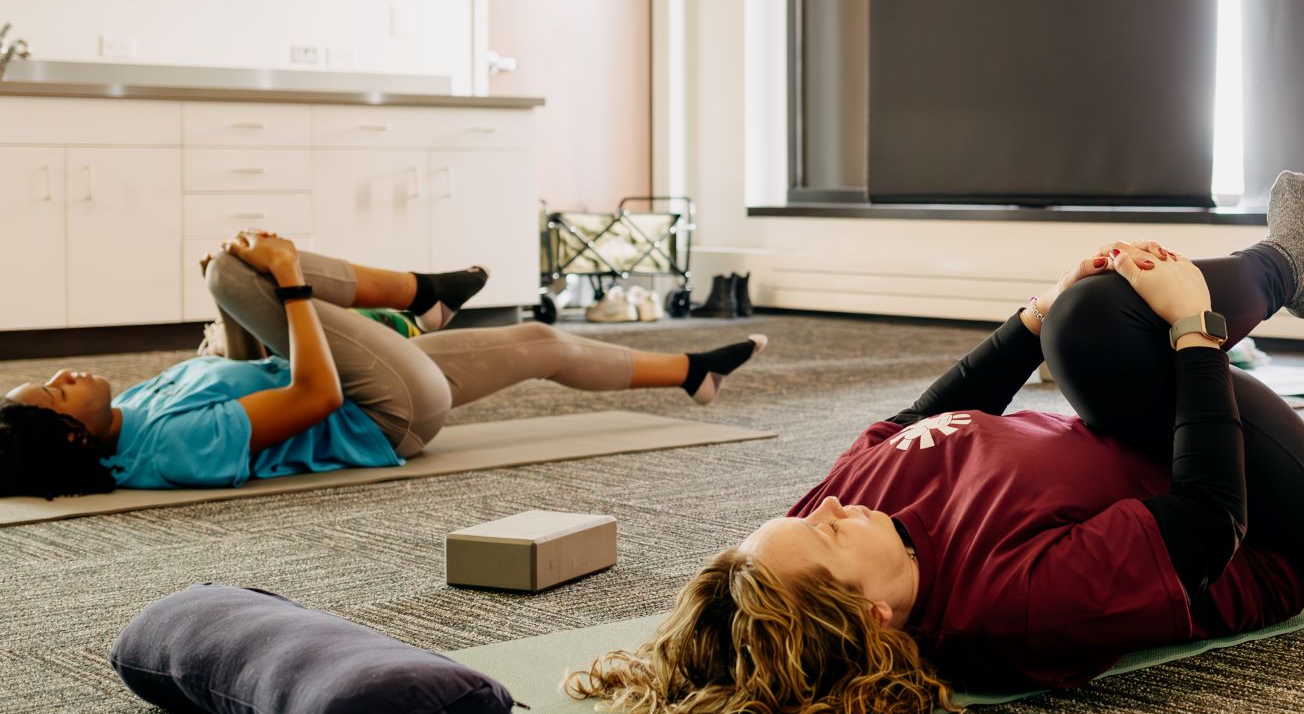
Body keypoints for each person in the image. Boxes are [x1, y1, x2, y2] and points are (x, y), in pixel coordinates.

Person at [564, 173, 1304, 714]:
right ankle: (1286, 270)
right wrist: (1194, 329)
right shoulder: (1007, 610)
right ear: (874, 611)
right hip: (1259, 529)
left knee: (1080, 318)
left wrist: (1026, 316)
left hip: (1137, 448)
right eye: (823, 535)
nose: (830, 506)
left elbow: (920, 422)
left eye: (810, 515)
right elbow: (1205, 524)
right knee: (1101, 326)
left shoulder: (853, 518)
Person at [0, 232, 765, 498]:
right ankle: (416, 299)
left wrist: (240, 310)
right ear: (72, 439)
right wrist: (287, 280)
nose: (67, 374)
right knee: (237, 273)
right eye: (57, 393)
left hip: (378, 382)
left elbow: (238, 369)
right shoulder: (165, 450)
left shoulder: (137, 406)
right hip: (384, 410)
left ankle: (693, 371)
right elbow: (312, 389)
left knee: (540, 342)